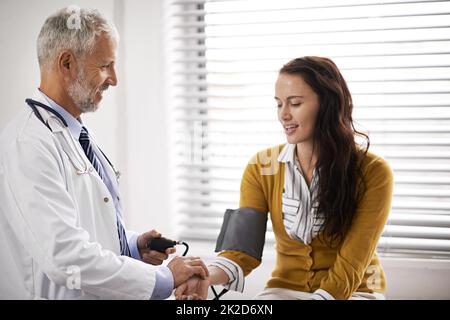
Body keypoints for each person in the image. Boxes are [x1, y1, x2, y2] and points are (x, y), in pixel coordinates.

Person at [0, 6, 208, 300]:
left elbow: (84, 225)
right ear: (67, 63)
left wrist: (132, 245)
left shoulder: (73, 133)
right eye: (105, 65)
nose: (114, 79)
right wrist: (164, 278)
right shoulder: (29, 143)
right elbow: (66, 257)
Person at [175, 56, 394, 300]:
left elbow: (354, 262)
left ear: (328, 104)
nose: (283, 115)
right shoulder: (261, 166)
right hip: (284, 291)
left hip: (355, 291)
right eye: (279, 104)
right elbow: (241, 250)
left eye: (295, 103)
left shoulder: (373, 171)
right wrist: (205, 275)